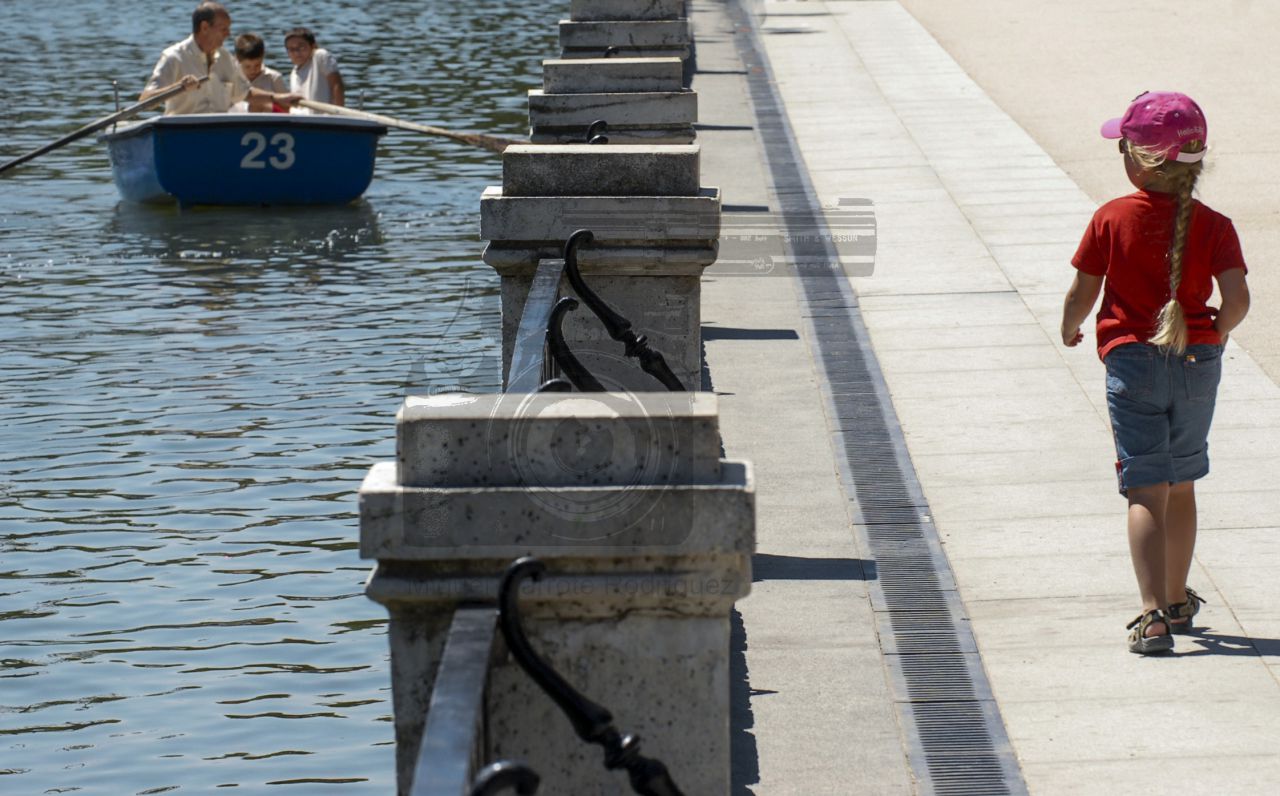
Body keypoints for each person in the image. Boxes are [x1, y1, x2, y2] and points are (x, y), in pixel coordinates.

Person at [1060, 91, 1251, 655]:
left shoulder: (1111, 217)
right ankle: (1175, 597)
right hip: (1198, 358)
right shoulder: (1215, 224)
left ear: (1136, 158)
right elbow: (1238, 297)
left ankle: (1151, 617)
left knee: (1145, 485)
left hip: (1131, 360)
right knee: (1183, 481)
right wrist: (1218, 324)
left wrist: (1071, 325)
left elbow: (1083, 290)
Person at [140, 3, 300, 115]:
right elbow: (145, 100)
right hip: (184, 135)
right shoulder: (174, 57)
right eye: (223, 29)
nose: (228, 34)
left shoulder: (225, 58)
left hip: (220, 134)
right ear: (204, 28)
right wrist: (178, 86)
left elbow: (245, 93)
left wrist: (277, 97)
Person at [284, 27, 344, 109]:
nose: (296, 52)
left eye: (301, 47)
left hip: (323, 118)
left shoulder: (320, 56)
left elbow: (336, 85)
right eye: (291, 49)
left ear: (313, 46)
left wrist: (338, 115)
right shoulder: (293, 73)